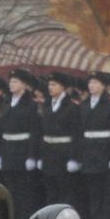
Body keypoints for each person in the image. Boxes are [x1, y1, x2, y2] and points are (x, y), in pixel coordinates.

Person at [74, 72, 110, 219]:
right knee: (92, 191)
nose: (92, 86)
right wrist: (78, 156)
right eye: (90, 83)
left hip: (104, 152)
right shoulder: (85, 104)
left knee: (106, 193)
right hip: (88, 152)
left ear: (103, 86)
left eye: (95, 83)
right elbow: (79, 132)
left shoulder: (109, 105)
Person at [0, 68, 42, 219]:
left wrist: (31, 156)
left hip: (22, 151)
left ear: (24, 84)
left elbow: (34, 131)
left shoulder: (31, 104)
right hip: (8, 150)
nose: (11, 84)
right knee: (10, 189)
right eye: (11, 81)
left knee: (23, 191)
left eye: (15, 81)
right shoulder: (7, 102)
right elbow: (0, 130)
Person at [39, 72, 82, 209]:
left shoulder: (71, 107)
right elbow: (41, 132)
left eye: (54, 84)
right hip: (48, 153)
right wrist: (40, 156)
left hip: (64, 153)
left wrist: (74, 158)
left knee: (65, 192)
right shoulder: (46, 105)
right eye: (49, 84)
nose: (50, 87)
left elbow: (76, 134)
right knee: (50, 191)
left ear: (63, 87)